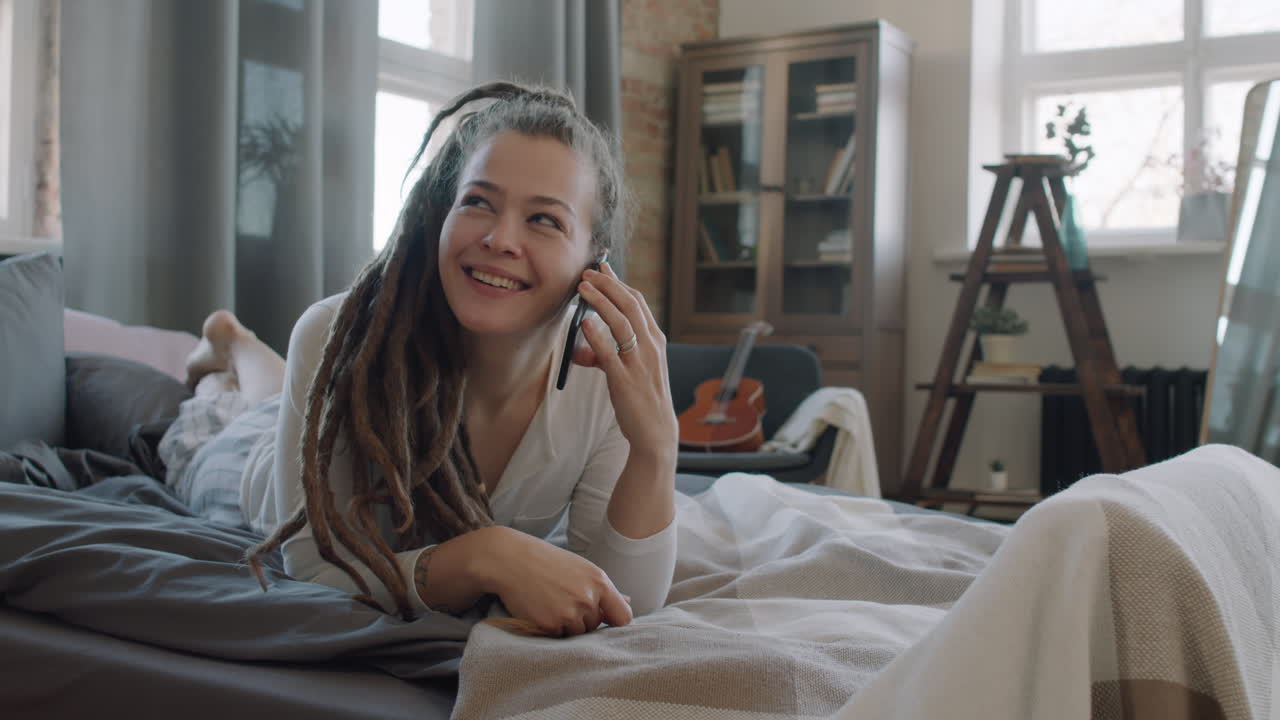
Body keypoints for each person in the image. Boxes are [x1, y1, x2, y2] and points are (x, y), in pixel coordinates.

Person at [156, 81, 679, 638]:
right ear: (441, 216)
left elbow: (625, 604)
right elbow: (313, 569)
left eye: (544, 220)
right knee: (234, 415)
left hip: (299, 409)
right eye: (478, 202)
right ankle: (229, 345)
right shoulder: (337, 334)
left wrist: (656, 446)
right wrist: (485, 557)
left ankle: (237, 341)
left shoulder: (603, 382)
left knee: (267, 396)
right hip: (250, 466)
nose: (501, 239)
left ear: (593, 265)